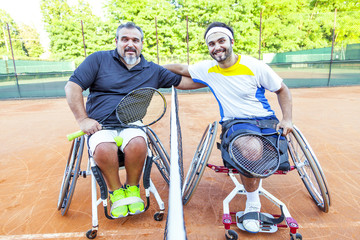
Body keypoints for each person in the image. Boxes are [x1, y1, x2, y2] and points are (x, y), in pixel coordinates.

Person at [163, 21, 293, 233]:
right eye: (211, 43)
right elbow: (180, 69)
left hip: (266, 119)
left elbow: (282, 90)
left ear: (231, 42)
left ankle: (252, 177)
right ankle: (253, 202)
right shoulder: (208, 69)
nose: (217, 47)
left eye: (221, 41)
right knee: (252, 151)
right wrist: (147, 67)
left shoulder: (255, 66)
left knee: (273, 152)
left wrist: (287, 119)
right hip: (236, 122)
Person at [65, 22, 202, 218]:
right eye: (125, 39)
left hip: (132, 123)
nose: (130, 44)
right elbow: (72, 87)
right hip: (100, 124)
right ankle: (116, 192)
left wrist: (212, 77)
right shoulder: (98, 60)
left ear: (141, 44)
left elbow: (186, 82)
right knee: (104, 148)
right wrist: (83, 120)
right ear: (116, 42)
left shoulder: (152, 70)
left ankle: (132, 188)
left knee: (138, 144)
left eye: (135, 40)